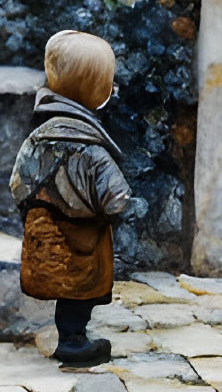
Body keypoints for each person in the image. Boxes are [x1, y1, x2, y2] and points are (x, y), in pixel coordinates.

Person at [11, 29, 134, 368]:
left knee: (66, 286)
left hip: (47, 228)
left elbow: (18, 181)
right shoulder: (91, 149)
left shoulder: (38, 138)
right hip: (84, 237)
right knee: (80, 289)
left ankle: (70, 338)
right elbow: (117, 197)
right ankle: (73, 342)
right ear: (98, 92)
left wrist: (35, 212)